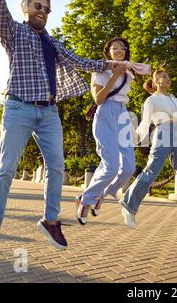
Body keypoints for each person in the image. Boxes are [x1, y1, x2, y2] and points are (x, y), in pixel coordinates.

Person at [0, 0, 122, 264]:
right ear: (26, 9)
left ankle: (50, 220)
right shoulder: (14, 32)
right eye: (37, 6)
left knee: (57, 167)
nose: (42, 12)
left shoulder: (52, 42)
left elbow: (79, 61)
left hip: (49, 112)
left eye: (46, 8)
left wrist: (110, 65)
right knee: (5, 169)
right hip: (19, 108)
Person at [119, 67, 177, 228]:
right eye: (163, 77)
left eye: (168, 76)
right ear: (156, 82)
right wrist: (136, 137)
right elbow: (145, 121)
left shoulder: (175, 100)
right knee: (152, 170)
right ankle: (128, 205)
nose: (168, 79)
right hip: (162, 132)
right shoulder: (152, 101)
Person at [75, 37, 137, 225]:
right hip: (105, 112)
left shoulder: (129, 72)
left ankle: (99, 194)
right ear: (108, 52)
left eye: (122, 48)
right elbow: (98, 99)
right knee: (110, 166)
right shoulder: (99, 71)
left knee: (128, 167)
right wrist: (114, 76)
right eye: (115, 48)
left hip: (123, 113)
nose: (119, 50)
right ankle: (86, 200)